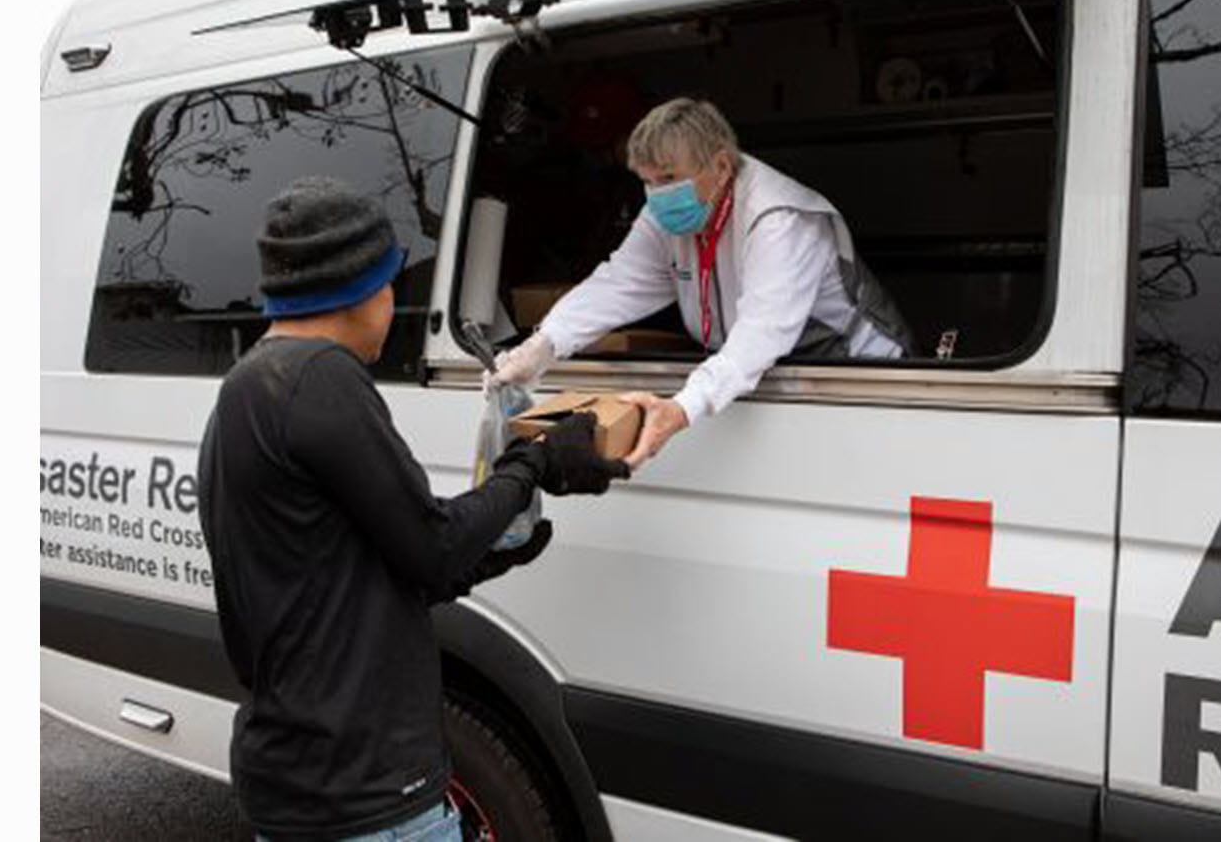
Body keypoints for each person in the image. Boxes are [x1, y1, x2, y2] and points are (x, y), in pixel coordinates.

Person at [197, 177, 628, 842]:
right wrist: (534, 462)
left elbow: (376, 565)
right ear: (360, 288)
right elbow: (434, 545)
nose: (393, 300)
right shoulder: (324, 379)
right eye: (391, 281)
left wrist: (492, 553)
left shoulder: (250, 385)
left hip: (295, 779)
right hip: (368, 792)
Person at [490, 97, 911, 468]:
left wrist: (682, 408)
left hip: (859, 373)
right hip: (775, 374)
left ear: (722, 165)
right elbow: (619, 284)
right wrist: (544, 344)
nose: (656, 195)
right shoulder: (666, 212)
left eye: (669, 178)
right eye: (647, 181)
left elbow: (759, 337)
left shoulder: (778, 219)